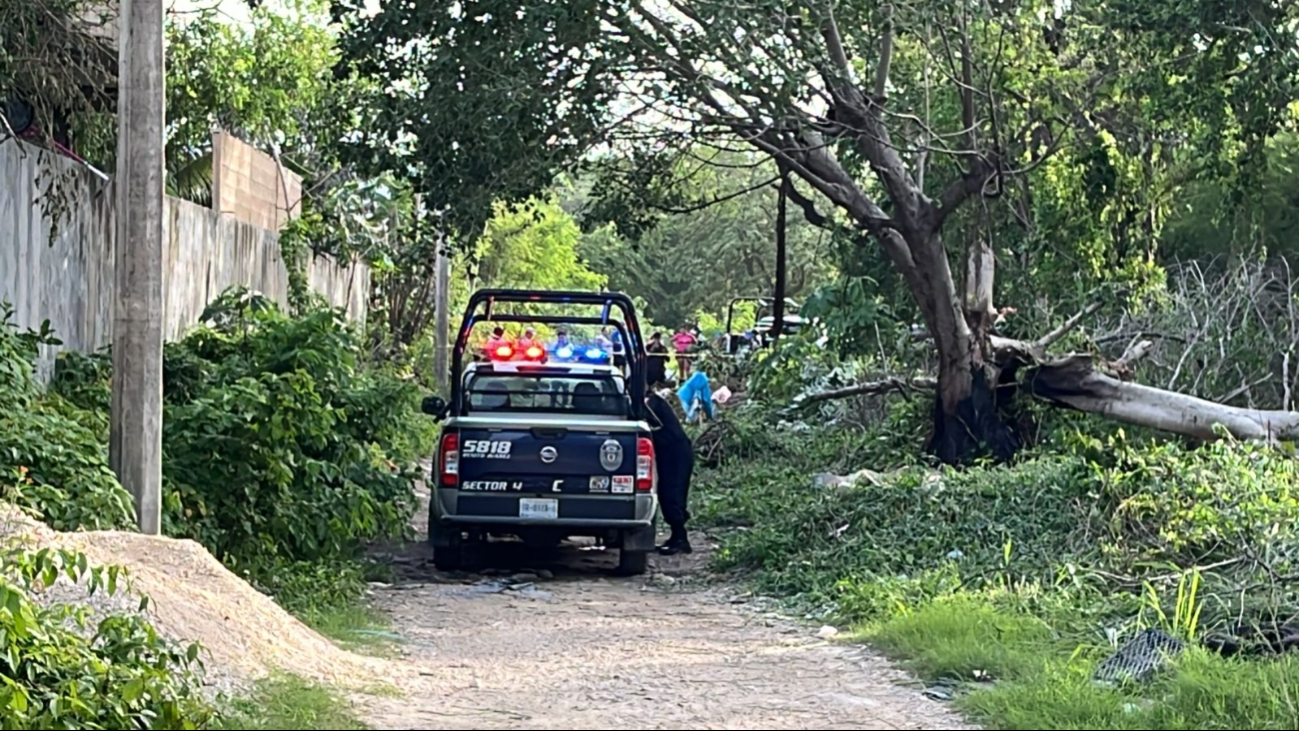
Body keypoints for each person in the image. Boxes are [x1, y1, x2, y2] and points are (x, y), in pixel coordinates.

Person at [646, 389, 694, 555]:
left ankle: (681, 539)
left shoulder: (651, 403)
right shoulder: (653, 401)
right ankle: (676, 537)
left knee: (672, 494)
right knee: (667, 494)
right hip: (671, 451)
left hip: (675, 452)